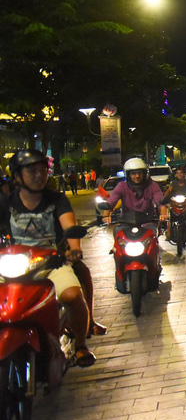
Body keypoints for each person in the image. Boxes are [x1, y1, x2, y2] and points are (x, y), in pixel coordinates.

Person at [0, 150, 102, 366]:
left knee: (73, 296)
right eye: (32, 171)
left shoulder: (57, 200)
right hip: (13, 265)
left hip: (51, 262)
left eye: (42, 171)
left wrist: (73, 250)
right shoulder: (6, 203)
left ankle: (81, 345)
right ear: (17, 176)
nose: (39, 175)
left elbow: (69, 226)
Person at [104, 158, 164, 226]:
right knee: (117, 233)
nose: (137, 176)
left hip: (148, 222)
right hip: (126, 223)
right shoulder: (121, 186)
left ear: (144, 173)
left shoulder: (152, 185)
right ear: (128, 175)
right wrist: (106, 216)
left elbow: (160, 201)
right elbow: (112, 201)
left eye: (140, 173)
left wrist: (163, 214)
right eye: (133, 173)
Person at [160, 165, 186, 239]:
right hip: (175, 202)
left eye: (181, 173)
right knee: (169, 215)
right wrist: (164, 197)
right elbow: (169, 190)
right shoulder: (173, 183)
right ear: (175, 175)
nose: (179, 175)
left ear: (184, 174)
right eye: (177, 173)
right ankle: (168, 233)